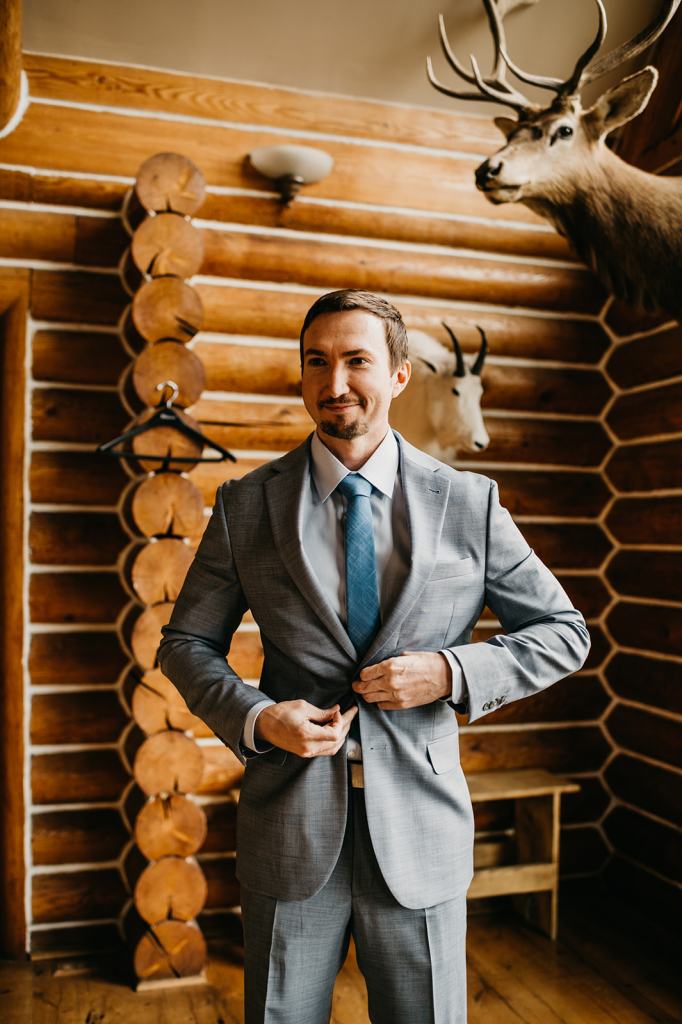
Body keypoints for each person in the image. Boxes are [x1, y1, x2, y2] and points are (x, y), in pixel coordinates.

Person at [157, 289, 590, 1024]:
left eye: (356, 361)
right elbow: (186, 643)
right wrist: (260, 718)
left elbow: (563, 631)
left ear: (398, 374)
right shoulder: (245, 505)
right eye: (316, 362)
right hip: (289, 829)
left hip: (422, 830)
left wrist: (450, 672)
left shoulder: (469, 503)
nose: (334, 383)